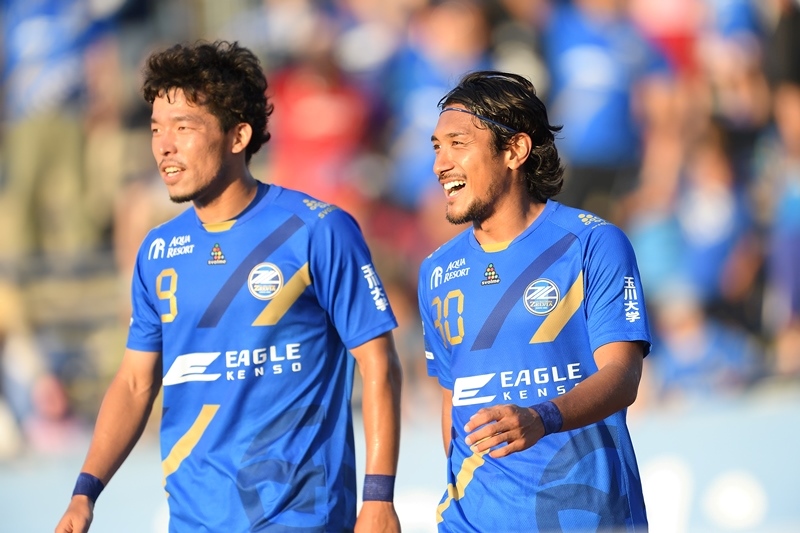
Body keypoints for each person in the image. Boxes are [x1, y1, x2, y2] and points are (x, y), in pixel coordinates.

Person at [55, 40, 403, 533]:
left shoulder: (318, 230)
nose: (164, 146)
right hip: (194, 519)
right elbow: (135, 382)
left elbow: (379, 362)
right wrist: (84, 492)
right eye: (156, 128)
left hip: (300, 517)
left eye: (183, 127)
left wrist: (378, 496)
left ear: (238, 136)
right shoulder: (158, 251)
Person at [418, 70, 652, 532]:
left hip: (583, 517)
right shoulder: (436, 271)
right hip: (470, 521)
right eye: (436, 147)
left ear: (515, 150)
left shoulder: (592, 243)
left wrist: (542, 418)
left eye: (458, 144)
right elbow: (453, 401)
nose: (440, 164)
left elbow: (623, 377)